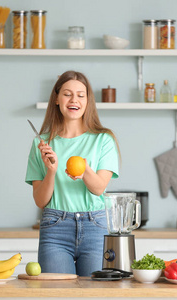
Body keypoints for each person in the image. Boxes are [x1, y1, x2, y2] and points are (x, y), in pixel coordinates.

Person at [25, 70, 120, 276]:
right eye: (67, 94)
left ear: (88, 101)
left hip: (95, 227)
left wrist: (85, 170)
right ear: (57, 99)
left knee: (94, 295)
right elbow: (41, 201)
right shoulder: (41, 144)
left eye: (80, 95)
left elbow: (99, 188)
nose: (74, 100)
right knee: (58, 295)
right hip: (55, 229)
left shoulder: (104, 140)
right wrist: (52, 171)